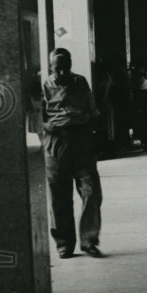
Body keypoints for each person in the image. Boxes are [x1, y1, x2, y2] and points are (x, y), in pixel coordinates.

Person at [41, 48, 104, 259]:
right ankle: (64, 242)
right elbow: (37, 119)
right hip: (56, 143)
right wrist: (53, 123)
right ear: (51, 67)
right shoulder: (44, 86)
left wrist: (76, 117)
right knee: (59, 197)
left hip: (82, 141)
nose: (62, 72)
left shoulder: (81, 82)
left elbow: (92, 111)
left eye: (65, 67)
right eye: (57, 68)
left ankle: (89, 240)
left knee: (92, 191)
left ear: (71, 64)